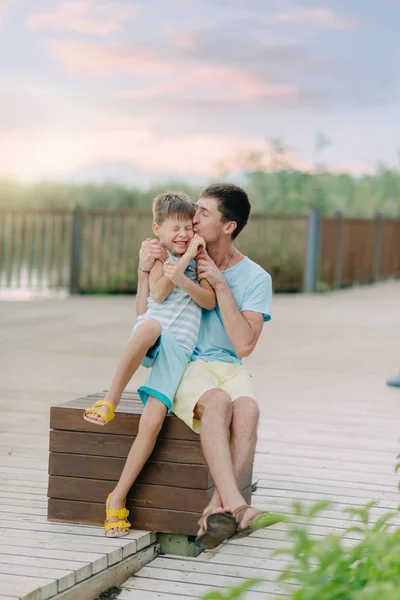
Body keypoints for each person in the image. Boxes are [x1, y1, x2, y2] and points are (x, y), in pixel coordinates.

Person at [136, 183, 274, 549]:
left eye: (204, 214)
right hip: (189, 364)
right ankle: (239, 507)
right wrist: (143, 268)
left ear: (228, 226)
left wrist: (222, 287)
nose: (193, 219)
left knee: (248, 410)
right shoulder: (180, 256)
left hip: (229, 365)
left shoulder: (257, 278)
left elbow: (245, 344)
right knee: (218, 403)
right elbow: (149, 311)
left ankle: (217, 510)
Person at [83, 191, 216, 536]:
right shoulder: (160, 256)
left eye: (189, 227)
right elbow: (156, 296)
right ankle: (111, 399)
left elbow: (208, 299)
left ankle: (117, 497)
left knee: (152, 422)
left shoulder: (199, 261)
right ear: (158, 228)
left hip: (179, 347)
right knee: (151, 324)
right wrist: (180, 256)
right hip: (151, 334)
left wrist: (188, 261)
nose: (184, 234)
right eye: (176, 228)